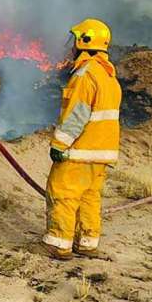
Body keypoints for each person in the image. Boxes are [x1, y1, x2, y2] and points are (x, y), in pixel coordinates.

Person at [41, 18, 121, 260]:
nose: (72, 45)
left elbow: (77, 114)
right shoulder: (108, 74)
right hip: (101, 152)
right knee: (89, 197)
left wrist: (59, 144)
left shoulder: (85, 74)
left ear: (85, 42)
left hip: (79, 151)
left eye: (75, 40)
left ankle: (59, 244)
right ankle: (87, 242)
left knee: (62, 193)